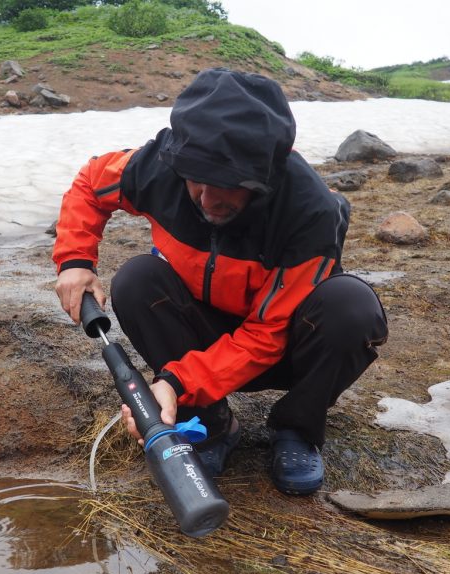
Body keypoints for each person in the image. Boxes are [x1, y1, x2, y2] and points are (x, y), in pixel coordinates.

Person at [53, 68, 387, 495]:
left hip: (284, 347)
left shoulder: (309, 211)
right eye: (198, 179)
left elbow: (267, 335)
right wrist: (75, 260)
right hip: (202, 333)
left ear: (267, 175)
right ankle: (212, 423)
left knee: (351, 309)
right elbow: (91, 182)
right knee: (137, 279)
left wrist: (174, 383)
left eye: (230, 187)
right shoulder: (160, 166)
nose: (209, 201)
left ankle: (296, 428)